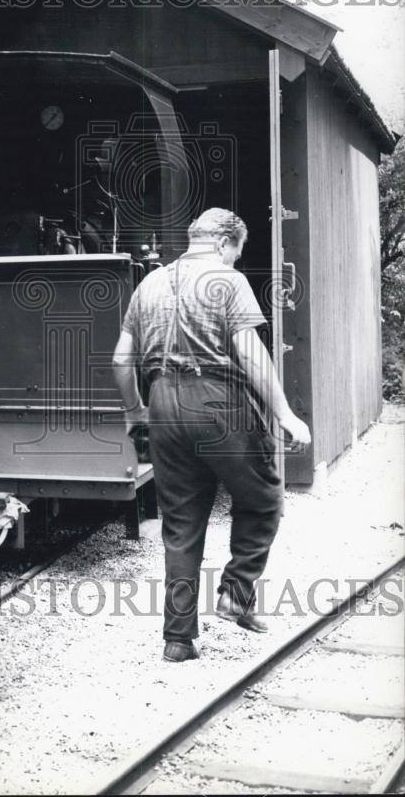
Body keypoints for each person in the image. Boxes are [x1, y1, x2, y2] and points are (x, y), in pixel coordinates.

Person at [112, 208, 311, 662]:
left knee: (180, 524)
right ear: (224, 243)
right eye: (236, 254)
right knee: (263, 498)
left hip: (162, 402)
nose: (235, 263)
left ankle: (178, 639)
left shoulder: (149, 283)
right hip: (219, 401)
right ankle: (236, 595)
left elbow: (122, 360)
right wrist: (285, 414)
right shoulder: (227, 280)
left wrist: (134, 412)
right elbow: (250, 351)